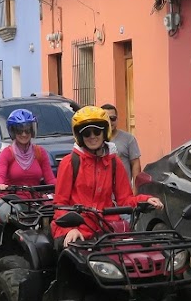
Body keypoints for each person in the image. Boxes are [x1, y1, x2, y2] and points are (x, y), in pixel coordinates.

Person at [53, 105, 161, 247]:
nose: (92, 136)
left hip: (107, 228)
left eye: (97, 131)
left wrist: (145, 199)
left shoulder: (114, 161)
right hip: (78, 228)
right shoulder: (70, 162)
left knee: (135, 252)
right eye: (87, 133)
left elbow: (124, 199)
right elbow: (60, 204)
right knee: (76, 253)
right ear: (80, 136)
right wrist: (71, 229)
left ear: (105, 132)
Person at [0, 108, 55, 200]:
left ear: (32, 131)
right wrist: (0, 185)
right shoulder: (7, 153)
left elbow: (50, 179)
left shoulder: (40, 152)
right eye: (19, 131)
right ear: (13, 132)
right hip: (11, 201)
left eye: (27, 130)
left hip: (34, 200)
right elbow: (0, 176)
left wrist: (64, 186)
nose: (24, 134)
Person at [102, 103, 142, 179]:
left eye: (112, 118)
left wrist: (136, 185)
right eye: (106, 119)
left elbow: (135, 164)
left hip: (124, 185)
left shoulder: (129, 139)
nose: (109, 122)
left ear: (117, 119)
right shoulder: (95, 141)